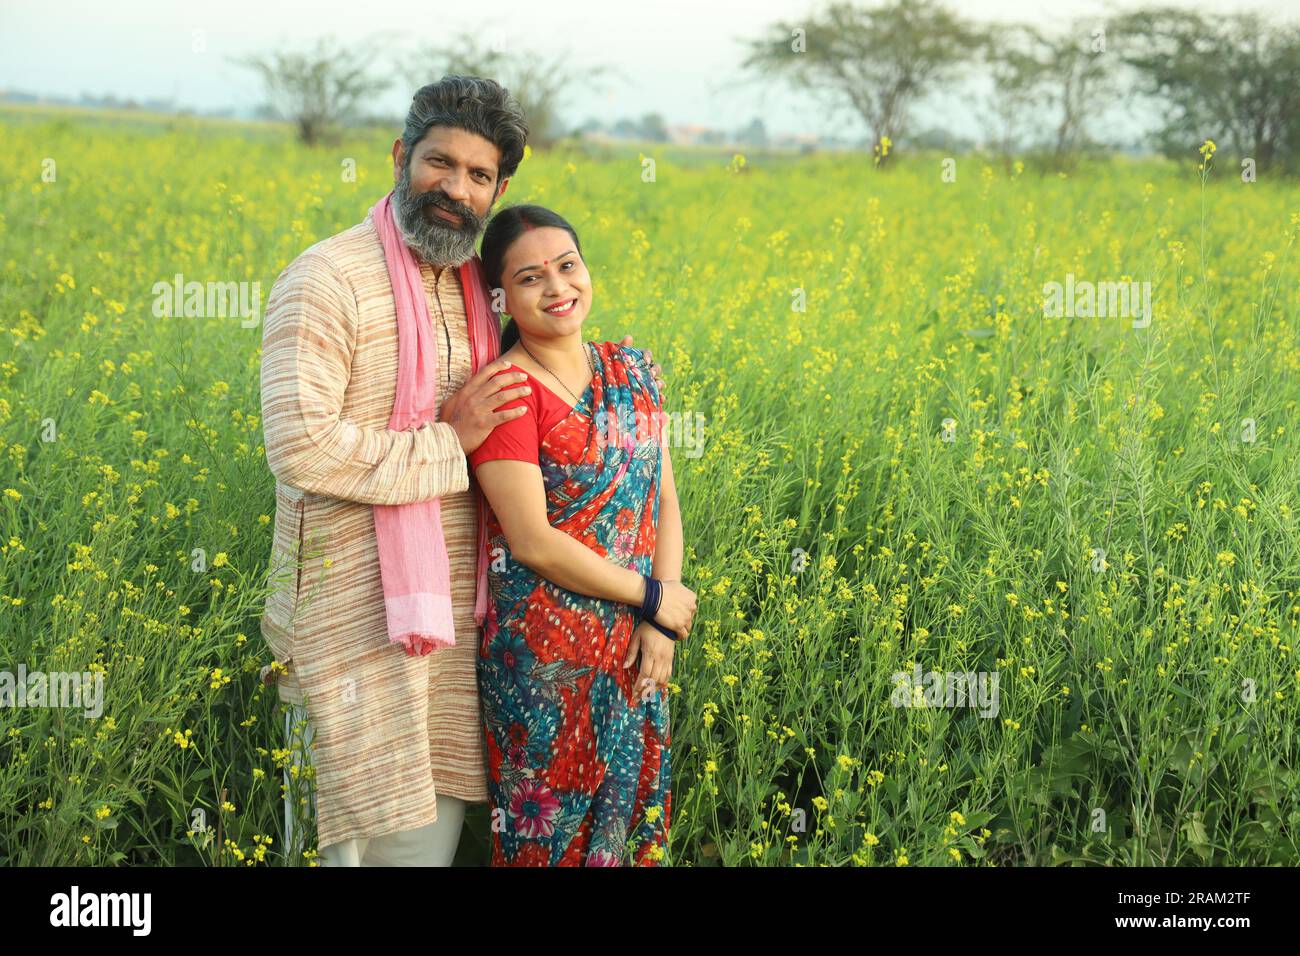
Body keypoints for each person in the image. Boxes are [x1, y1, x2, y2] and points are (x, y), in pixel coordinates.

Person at [258, 76, 664, 867]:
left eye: (479, 176)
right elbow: (301, 446)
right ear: (400, 156)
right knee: (341, 847)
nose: (455, 188)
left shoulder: (477, 291)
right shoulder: (327, 279)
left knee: (421, 852)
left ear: (499, 189)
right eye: (439, 163)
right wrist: (449, 442)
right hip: (348, 627)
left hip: (450, 637)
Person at [468, 204, 695, 865]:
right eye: (531, 277)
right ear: (500, 295)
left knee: (631, 824)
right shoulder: (506, 393)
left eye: (568, 267)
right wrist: (650, 596)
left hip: (636, 648)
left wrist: (662, 611)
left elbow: (662, 499)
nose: (557, 289)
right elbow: (532, 540)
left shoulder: (634, 369)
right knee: (549, 841)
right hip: (543, 665)